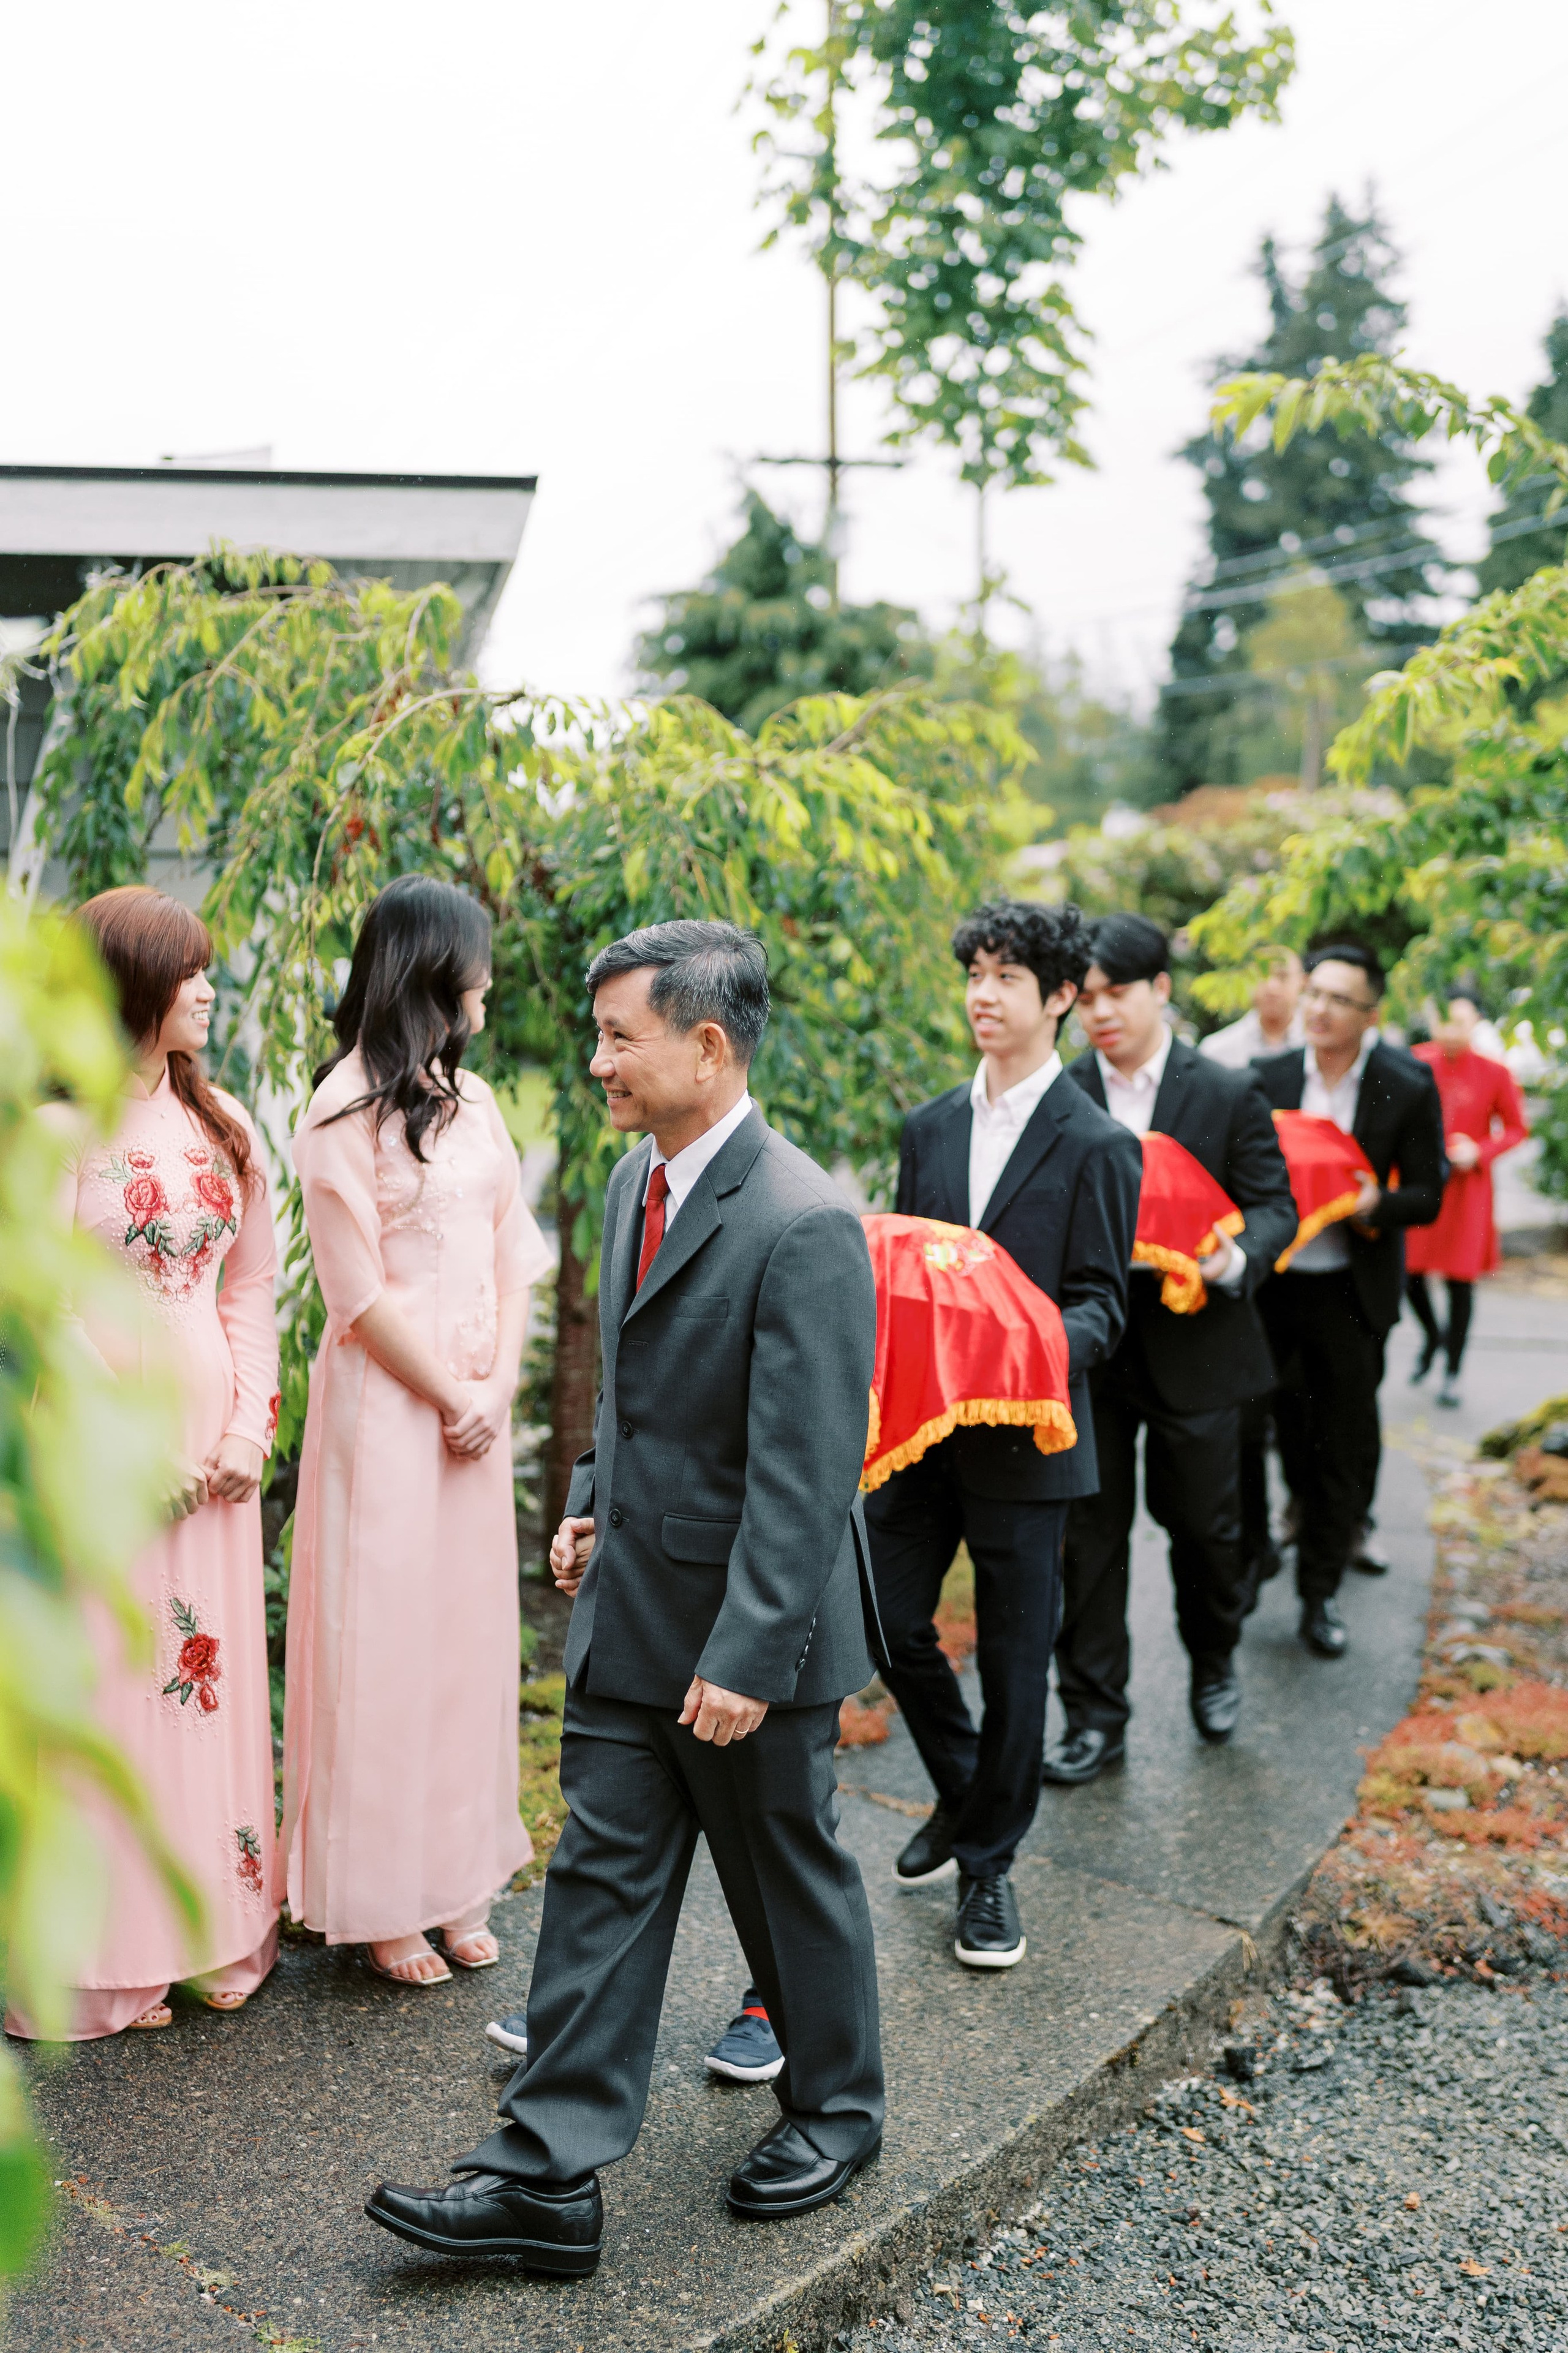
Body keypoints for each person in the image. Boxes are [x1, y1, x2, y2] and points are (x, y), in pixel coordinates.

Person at [366, 920, 884, 2273]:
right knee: (598, 1879)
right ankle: (544, 2180)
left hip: (748, 1640)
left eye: (617, 1036)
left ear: (707, 1047)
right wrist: (593, 1493)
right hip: (631, 1613)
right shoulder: (624, 1178)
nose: (595, 1059)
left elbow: (806, 1464)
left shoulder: (806, 1218)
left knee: (786, 1881)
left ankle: (835, 2109)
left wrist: (749, 1651)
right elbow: (636, 1388)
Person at [5, 887, 280, 2041]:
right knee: (121, 1686)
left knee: (204, 1687)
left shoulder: (228, 1131)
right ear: (134, 987)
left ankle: (215, 1926)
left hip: (213, 1457)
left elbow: (255, 1288)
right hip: (100, 1449)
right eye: (191, 973)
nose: (210, 990)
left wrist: (243, 1434)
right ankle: (107, 1953)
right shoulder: (55, 1134)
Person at [281, 877, 550, 1987]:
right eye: (476, 962)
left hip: (475, 1418)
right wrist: (448, 1392)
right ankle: (382, 1897)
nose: (488, 981)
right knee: (382, 1649)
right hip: (389, 1418)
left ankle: (458, 1880)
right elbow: (357, 1294)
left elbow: (516, 1254)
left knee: (465, 1646)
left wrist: (498, 1392)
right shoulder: (340, 1106)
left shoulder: (475, 1101)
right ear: (433, 968)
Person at [864, 900, 1140, 1966]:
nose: (984, 994)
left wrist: (1012, 1339)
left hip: (1030, 1440)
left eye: (1008, 977)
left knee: (1022, 1662)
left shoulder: (1099, 1143)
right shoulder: (928, 1126)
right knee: (883, 1617)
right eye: (974, 972)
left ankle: (988, 1870)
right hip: (923, 1435)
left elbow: (1102, 1309)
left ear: (1061, 996)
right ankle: (968, 1783)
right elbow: (902, 1277)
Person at [1046, 915, 1298, 1776]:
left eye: (1118, 993)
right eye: (1087, 998)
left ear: (1161, 989)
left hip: (1202, 1345)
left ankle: (1215, 1660)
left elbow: (1275, 1205)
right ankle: (1093, 1716)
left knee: (1205, 1528)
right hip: (1093, 1356)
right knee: (1088, 1536)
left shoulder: (1225, 1090)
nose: (1100, 1014)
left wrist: (1234, 1255)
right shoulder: (1060, 1089)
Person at [1251, 944, 1446, 1656]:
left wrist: (1376, 1203)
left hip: (1350, 1290)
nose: (1319, 1010)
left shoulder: (1406, 1083)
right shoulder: (1263, 1077)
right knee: (1264, 1431)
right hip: (1269, 1286)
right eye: (1314, 994)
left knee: (1341, 1443)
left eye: (1338, 999)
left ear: (1371, 1013)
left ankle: (1318, 1593)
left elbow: (1428, 1194)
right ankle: (1266, 1545)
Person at [1406, 988, 1528, 1408]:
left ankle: (1453, 1369)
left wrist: (1480, 1151)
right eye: (1444, 1021)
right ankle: (1433, 1336)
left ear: (1476, 1021)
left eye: (1460, 1021)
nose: (1450, 1030)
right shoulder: (1415, 1061)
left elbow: (1515, 1128)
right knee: (1409, 1272)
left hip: (1468, 1188)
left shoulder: (1494, 1072)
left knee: (1461, 1280)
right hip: (1422, 1181)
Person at [1199, 948, 1306, 1069]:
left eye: (1283, 976)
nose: (1272, 987)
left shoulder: (1317, 1044)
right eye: (1262, 975)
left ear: (1303, 982)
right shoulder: (1216, 1051)